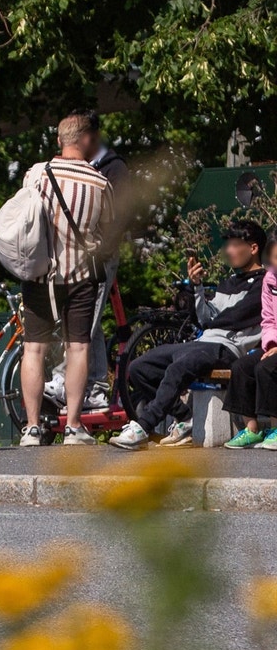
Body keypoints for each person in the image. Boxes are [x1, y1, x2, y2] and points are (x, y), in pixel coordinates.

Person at [115, 219, 267, 450]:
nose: (228, 251)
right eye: (228, 246)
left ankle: (142, 427)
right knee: (139, 368)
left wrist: (212, 317)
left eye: (235, 245)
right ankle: (186, 419)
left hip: (227, 349)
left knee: (180, 366)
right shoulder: (228, 282)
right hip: (204, 342)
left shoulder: (265, 282)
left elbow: (236, 317)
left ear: (253, 248)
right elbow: (204, 319)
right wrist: (196, 286)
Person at [16, 114, 116, 447]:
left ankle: (31, 428)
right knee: (77, 349)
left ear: (60, 140)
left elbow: (24, 221)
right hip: (80, 277)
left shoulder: (36, 174)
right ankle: (73, 426)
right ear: (86, 139)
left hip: (40, 276)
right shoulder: (100, 183)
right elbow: (108, 237)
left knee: (33, 349)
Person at [46, 110, 133, 411]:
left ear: (90, 138)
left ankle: (66, 379)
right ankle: (95, 388)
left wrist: (102, 250)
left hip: (96, 259)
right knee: (89, 324)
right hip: (72, 258)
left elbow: (120, 215)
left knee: (81, 325)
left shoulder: (113, 168)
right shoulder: (83, 167)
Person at [226, 236, 277, 449]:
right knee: (241, 367)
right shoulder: (270, 279)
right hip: (273, 344)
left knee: (267, 367)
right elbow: (268, 318)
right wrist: (272, 344)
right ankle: (251, 430)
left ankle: (276, 428)